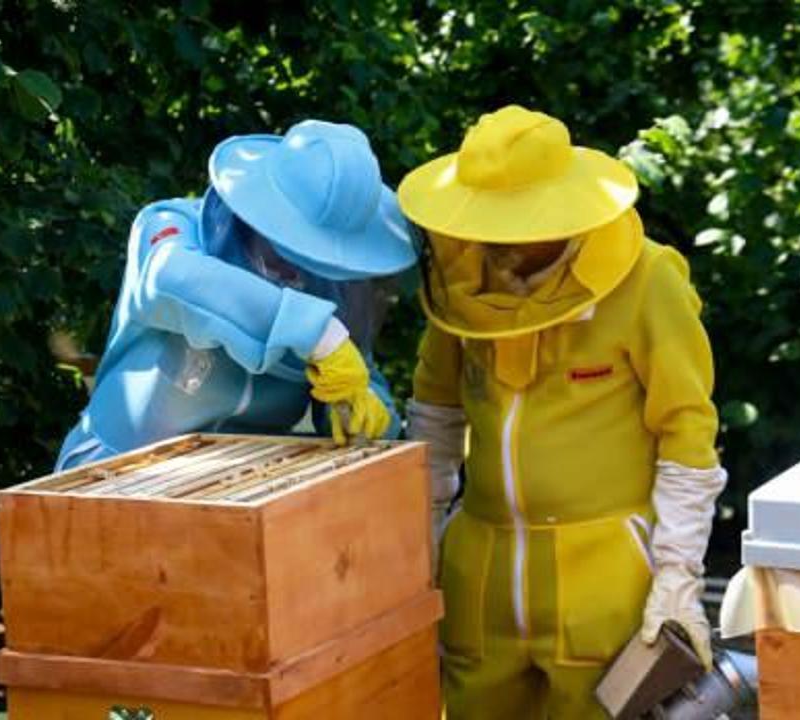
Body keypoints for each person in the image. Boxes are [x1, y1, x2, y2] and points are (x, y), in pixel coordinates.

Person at [400, 106, 727, 719]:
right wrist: (420, 537)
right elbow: (436, 413)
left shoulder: (648, 280)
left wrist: (678, 572)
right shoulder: (460, 279)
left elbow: (687, 431)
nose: (496, 239)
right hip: (480, 576)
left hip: (603, 574)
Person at [55, 120, 415, 470]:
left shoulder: (337, 290)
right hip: (110, 472)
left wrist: (363, 412)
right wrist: (317, 333)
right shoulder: (173, 225)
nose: (301, 271)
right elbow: (172, 277)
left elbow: (355, 378)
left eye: (322, 260)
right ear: (261, 212)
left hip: (238, 495)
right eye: (293, 249)